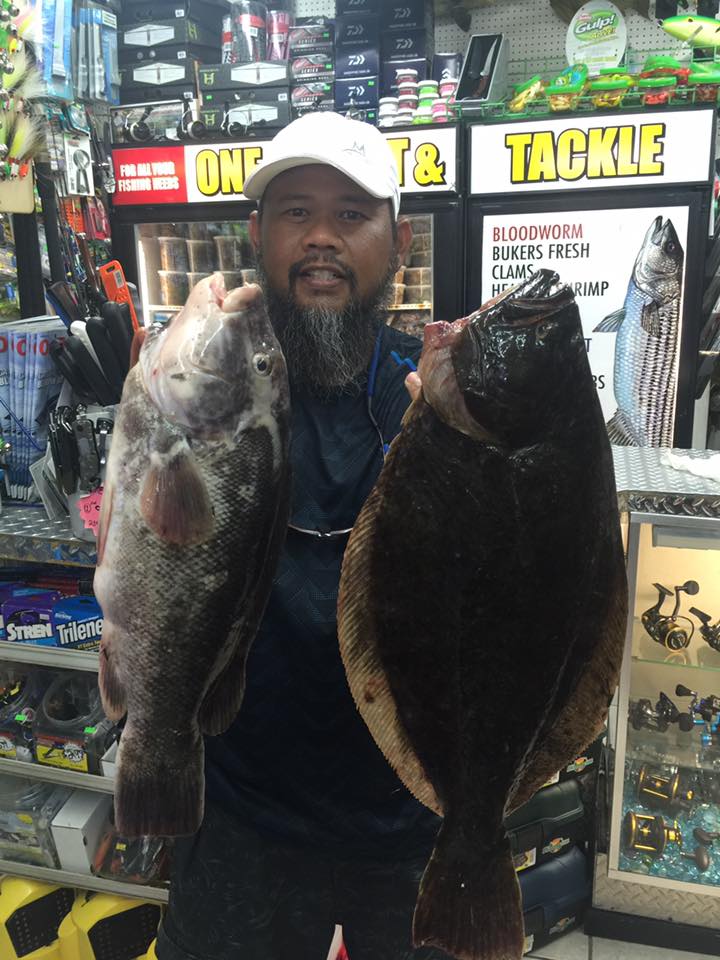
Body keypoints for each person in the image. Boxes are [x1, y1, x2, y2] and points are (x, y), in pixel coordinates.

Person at [156, 112, 447, 960]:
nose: (321, 239)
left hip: (414, 818)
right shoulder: (205, 387)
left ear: (397, 239)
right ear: (256, 233)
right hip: (244, 815)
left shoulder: (437, 396)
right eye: (295, 213)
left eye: (352, 215)